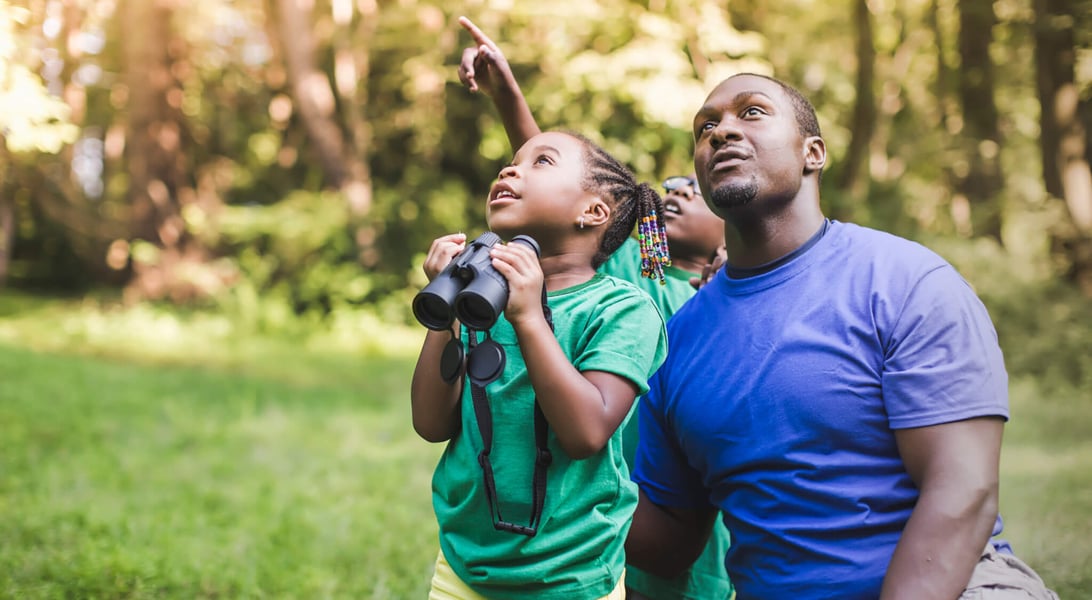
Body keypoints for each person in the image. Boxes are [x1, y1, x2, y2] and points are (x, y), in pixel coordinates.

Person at [625, 72, 1058, 599]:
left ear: (814, 153)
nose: (720, 132)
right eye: (705, 127)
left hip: (957, 583)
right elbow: (670, 540)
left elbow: (962, 492)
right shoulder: (678, 341)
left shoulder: (904, 281)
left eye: (752, 112)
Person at [457, 17, 733, 600]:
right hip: (596, 490)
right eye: (673, 184)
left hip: (682, 492)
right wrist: (509, 100)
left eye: (697, 188)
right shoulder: (634, 270)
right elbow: (563, 200)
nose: (681, 188)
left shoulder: (725, 299)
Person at [411, 128, 670, 599]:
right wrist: (442, 316)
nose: (510, 169)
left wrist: (529, 317)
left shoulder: (622, 310)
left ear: (592, 212)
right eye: (511, 161)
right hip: (467, 562)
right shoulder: (479, 299)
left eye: (542, 161)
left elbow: (585, 433)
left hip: (572, 572)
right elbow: (431, 423)